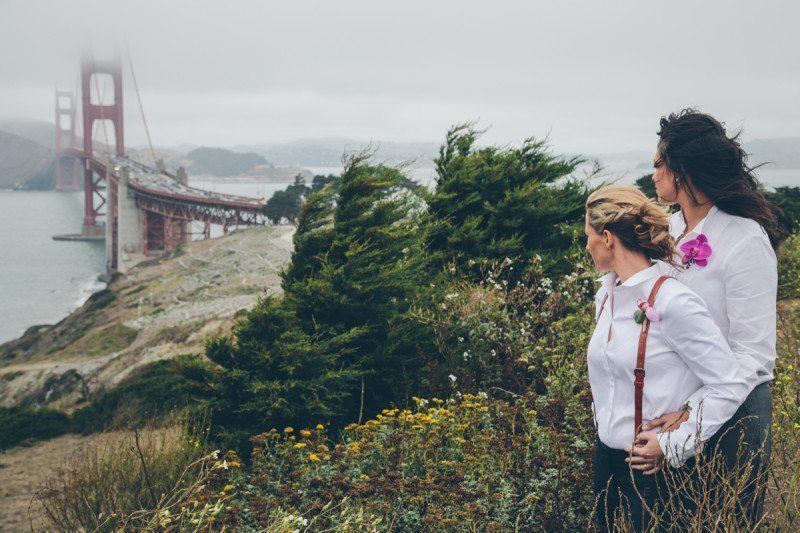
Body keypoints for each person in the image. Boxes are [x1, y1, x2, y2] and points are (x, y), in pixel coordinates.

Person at [639, 109, 782, 526]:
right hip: (669, 414)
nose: (653, 175)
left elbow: (753, 355)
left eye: (658, 165)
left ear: (681, 171)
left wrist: (690, 413)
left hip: (733, 415)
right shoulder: (663, 230)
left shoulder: (744, 239)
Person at [585, 185, 749, 531]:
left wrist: (673, 442)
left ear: (608, 238)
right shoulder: (606, 296)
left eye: (588, 235)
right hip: (606, 465)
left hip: (654, 475)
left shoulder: (674, 302)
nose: (586, 245)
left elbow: (729, 383)